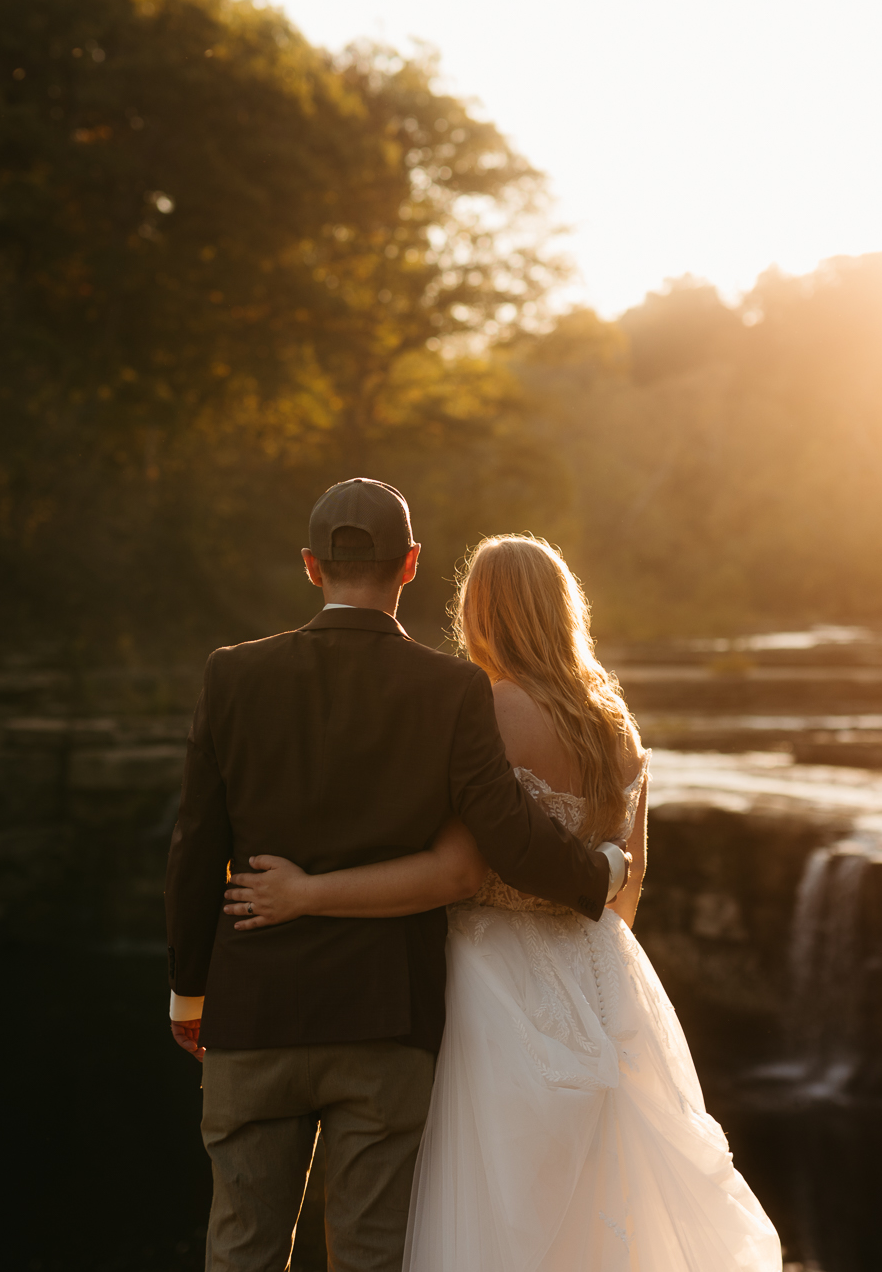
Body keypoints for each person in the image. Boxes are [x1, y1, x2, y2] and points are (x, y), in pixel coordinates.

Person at [224, 534, 783, 1272]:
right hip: (600, 977)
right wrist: (591, 986)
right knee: (594, 1212)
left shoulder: (484, 709)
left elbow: (453, 870)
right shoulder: (618, 726)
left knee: (484, 1212)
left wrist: (307, 892)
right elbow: (628, 880)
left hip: (489, 983)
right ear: (563, 610)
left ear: (480, 612)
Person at [165, 481, 632, 1272]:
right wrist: (602, 871)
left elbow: (193, 844)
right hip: (387, 1019)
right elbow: (510, 838)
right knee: (374, 1256)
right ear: (410, 564)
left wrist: (190, 992)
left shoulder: (231, 674)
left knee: (241, 1248)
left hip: (253, 1011)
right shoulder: (450, 689)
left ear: (312, 566)